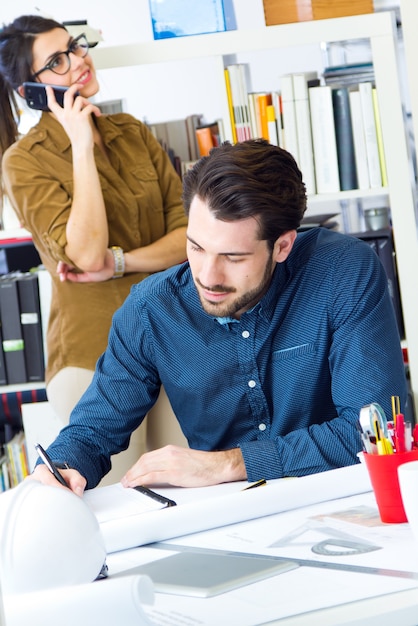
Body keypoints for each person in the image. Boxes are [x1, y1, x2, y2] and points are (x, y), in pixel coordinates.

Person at [31, 138, 407, 495]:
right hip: (222, 522)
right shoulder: (150, 310)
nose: (208, 277)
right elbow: (94, 428)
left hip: (342, 503)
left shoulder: (342, 272)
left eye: (233, 257)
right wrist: (62, 467)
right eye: (196, 247)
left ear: (282, 246)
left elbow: (377, 432)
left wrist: (228, 464)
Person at [0, 16, 187, 427]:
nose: (79, 61)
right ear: (29, 92)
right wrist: (81, 144)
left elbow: (191, 236)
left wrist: (120, 262)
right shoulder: (23, 162)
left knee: (197, 486)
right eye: (57, 61)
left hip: (174, 345)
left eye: (76, 47)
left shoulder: (132, 132)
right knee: (118, 492)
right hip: (94, 361)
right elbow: (86, 254)